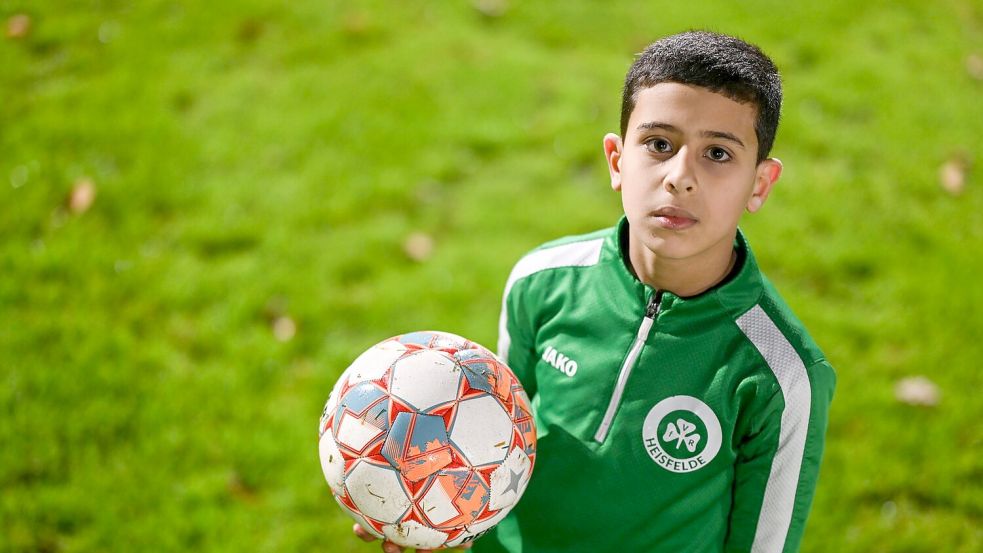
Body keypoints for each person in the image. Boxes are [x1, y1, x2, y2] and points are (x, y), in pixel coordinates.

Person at [357, 29, 836, 552]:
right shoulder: (541, 282)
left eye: (717, 154)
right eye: (659, 144)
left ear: (760, 184)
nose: (680, 177)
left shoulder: (783, 374)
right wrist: (430, 520)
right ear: (616, 160)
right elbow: (487, 436)